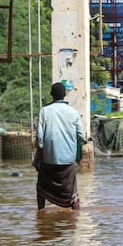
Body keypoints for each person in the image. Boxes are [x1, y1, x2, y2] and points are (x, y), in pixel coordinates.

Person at [34, 82, 86, 210]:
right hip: (68, 161)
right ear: (64, 95)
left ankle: (41, 212)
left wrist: (39, 159)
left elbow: (40, 138)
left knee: (41, 189)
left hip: (48, 160)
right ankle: (76, 215)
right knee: (73, 192)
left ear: (52, 95)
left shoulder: (44, 111)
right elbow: (82, 137)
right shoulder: (73, 112)